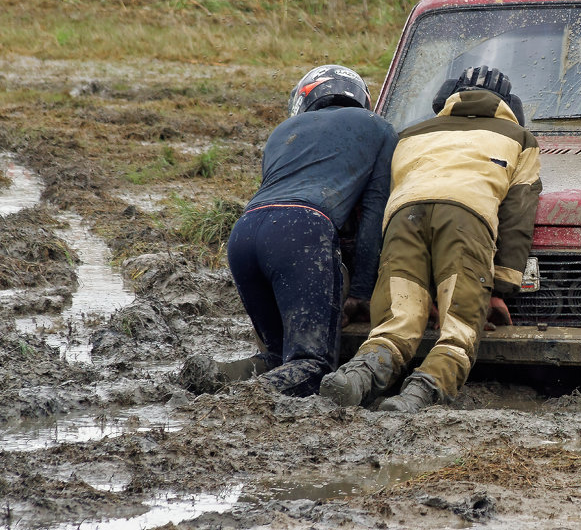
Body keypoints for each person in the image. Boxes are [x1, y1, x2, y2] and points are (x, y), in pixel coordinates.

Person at [320, 65, 541, 413]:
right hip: (465, 219)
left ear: (446, 99)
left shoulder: (411, 133)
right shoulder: (519, 138)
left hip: (403, 218)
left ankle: (357, 379)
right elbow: (518, 213)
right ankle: (418, 395)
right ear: (510, 105)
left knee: (397, 322)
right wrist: (502, 285)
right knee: (460, 330)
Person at [181, 65, 397, 397]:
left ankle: (218, 378)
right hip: (301, 230)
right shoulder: (378, 127)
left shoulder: (282, 132)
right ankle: (241, 399)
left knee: (279, 354)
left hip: (245, 232)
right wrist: (362, 292)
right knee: (312, 365)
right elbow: (373, 214)